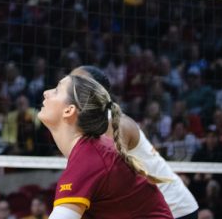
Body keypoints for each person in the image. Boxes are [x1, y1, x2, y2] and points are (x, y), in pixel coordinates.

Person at [38, 69, 172, 219]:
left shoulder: (88, 159)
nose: (46, 93)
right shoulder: (90, 150)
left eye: (56, 91)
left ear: (69, 111)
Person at [74, 66, 198, 219]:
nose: (70, 84)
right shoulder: (87, 126)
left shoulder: (113, 125)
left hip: (175, 208)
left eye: (78, 81)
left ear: (94, 92)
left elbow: (106, 178)